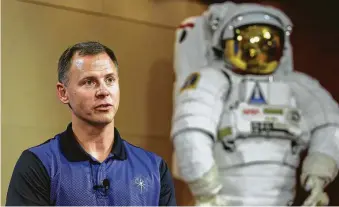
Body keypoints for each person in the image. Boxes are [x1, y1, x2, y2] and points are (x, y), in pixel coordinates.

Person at [171, 1, 339, 206]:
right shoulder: (211, 80)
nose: (258, 53)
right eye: (249, 44)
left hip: (282, 198)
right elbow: (191, 131)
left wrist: (319, 174)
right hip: (224, 199)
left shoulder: (296, 85)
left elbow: (330, 124)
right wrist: (206, 189)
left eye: (267, 45)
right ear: (226, 44)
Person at [6, 41, 176, 206]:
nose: (103, 91)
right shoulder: (38, 164)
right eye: (89, 82)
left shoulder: (154, 168)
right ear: (63, 93)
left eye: (110, 80)